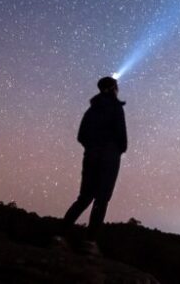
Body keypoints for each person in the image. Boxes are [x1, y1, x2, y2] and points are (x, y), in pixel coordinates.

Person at [62, 76, 127, 241]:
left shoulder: (91, 110)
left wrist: (92, 148)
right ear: (113, 88)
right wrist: (118, 149)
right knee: (102, 199)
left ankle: (58, 236)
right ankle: (89, 243)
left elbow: (81, 135)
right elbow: (121, 134)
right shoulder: (115, 107)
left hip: (91, 156)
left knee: (84, 197)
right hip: (109, 157)